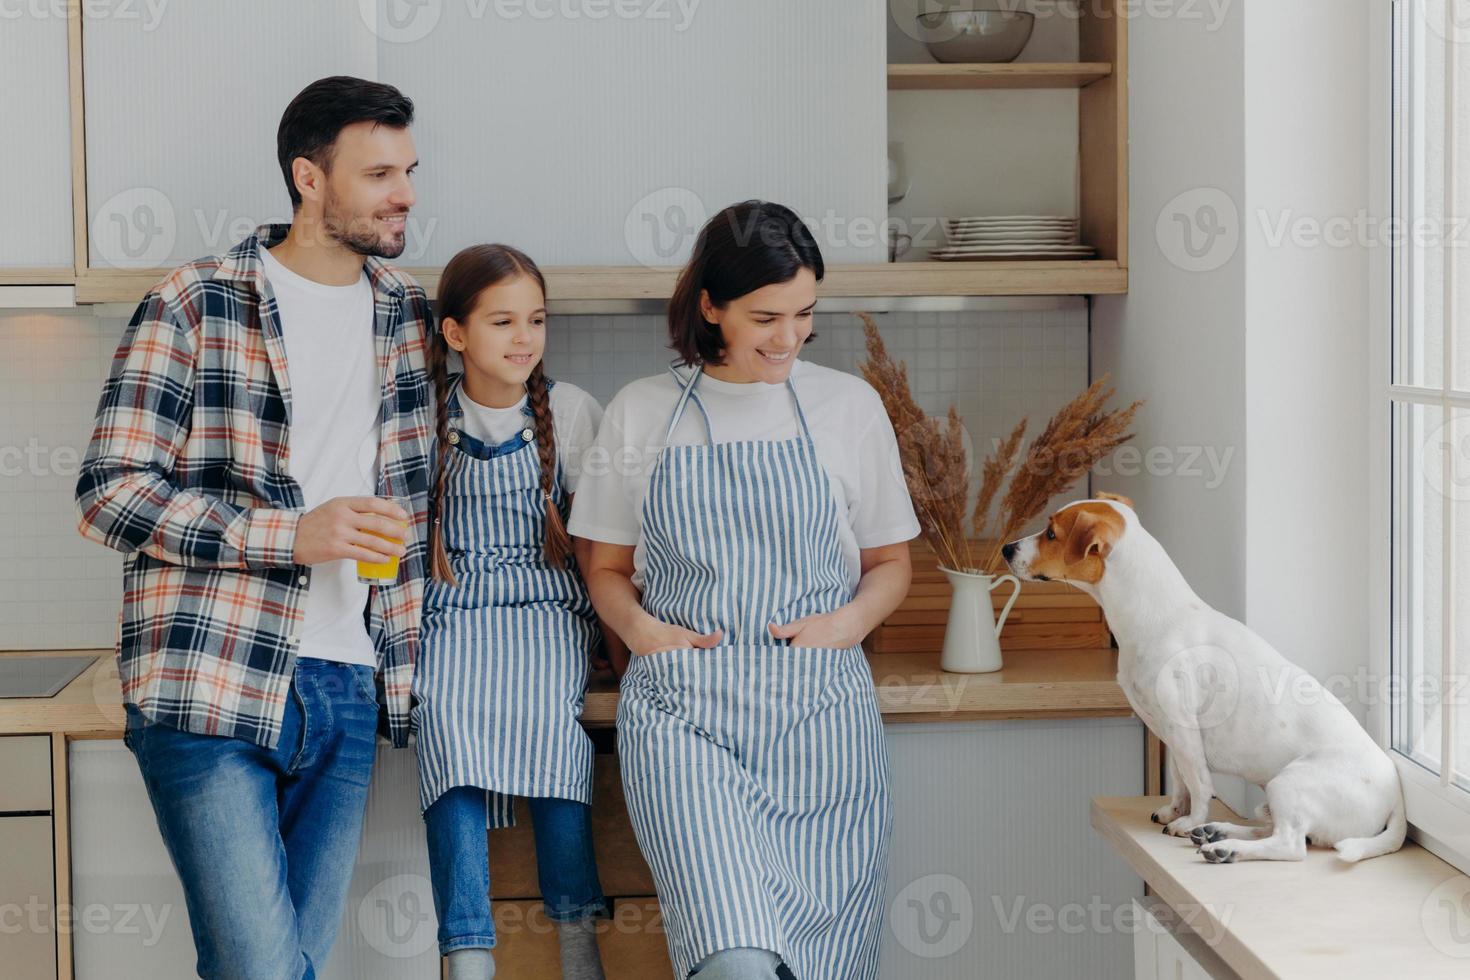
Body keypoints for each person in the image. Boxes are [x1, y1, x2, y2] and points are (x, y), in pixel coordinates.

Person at [74, 76, 433, 980]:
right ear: (309, 179)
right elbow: (108, 492)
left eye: (409, 170)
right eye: (380, 172)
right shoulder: (195, 300)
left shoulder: (409, 316)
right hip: (211, 677)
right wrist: (288, 536)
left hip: (349, 681)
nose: (406, 194)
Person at [570, 200, 920, 980]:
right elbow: (606, 570)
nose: (788, 337)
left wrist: (847, 622)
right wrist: (646, 633)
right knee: (734, 964)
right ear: (709, 307)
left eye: (804, 314)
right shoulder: (641, 412)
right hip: (689, 726)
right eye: (765, 316)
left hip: (821, 729)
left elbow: (892, 564)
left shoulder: (848, 408)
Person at [416, 243, 616, 980]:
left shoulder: (571, 411)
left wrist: (608, 638)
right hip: (451, 607)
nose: (524, 337)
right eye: (502, 321)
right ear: (456, 334)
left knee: (552, 731)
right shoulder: (422, 416)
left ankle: (576, 943)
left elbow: (600, 543)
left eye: (535, 319)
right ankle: (467, 952)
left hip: (545, 605)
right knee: (442, 714)